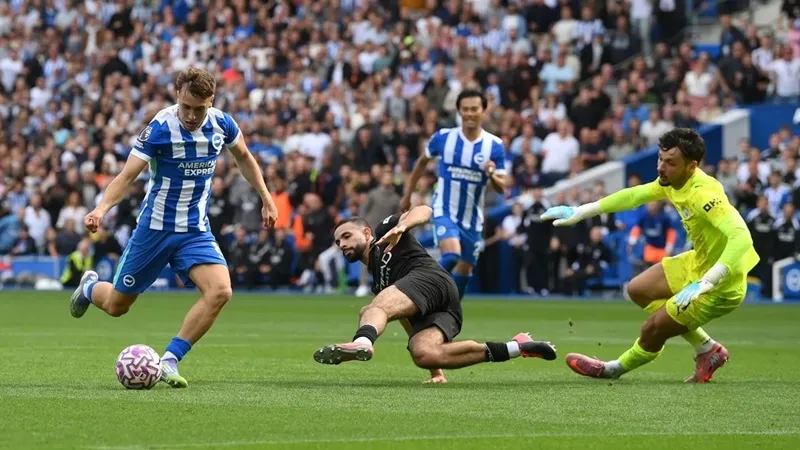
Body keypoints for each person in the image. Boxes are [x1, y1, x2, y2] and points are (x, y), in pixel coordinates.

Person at [69, 67, 279, 388]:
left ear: (211, 101)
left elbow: (245, 158)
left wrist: (266, 197)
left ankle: (169, 359)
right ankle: (89, 287)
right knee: (116, 306)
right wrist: (100, 209)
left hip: (195, 229)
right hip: (154, 229)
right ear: (177, 96)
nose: (192, 116)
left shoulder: (222, 124)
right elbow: (127, 176)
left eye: (200, 108)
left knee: (220, 291)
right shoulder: (159, 129)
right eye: (186, 107)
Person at [542, 128, 759, 383]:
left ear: (692, 166)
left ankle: (612, 369)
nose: (661, 167)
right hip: (697, 262)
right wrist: (582, 211)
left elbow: (742, 237)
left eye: (670, 163)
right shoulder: (672, 181)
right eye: (660, 159)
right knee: (638, 289)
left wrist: (708, 281)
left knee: (652, 329)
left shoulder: (703, 194)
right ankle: (707, 349)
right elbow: (635, 195)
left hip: (721, 284)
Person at [313, 205, 556, 383]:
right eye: (337, 242)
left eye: (346, 236)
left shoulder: (386, 232)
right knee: (424, 353)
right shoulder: (380, 282)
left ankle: (362, 343)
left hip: (430, 278)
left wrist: (402, 226)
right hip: (444, 308)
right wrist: (435, 371)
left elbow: (425, 210)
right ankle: (517, 347)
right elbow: (406, 319)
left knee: (370, 309)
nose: (342, 244)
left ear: (366, 233)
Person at [400, 89, 509, 299]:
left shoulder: (494, 145)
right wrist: (407, 194)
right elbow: (421, 162)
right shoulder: (444, 138)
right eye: (465, 109)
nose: (469, 113)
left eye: (474, 109)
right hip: (444, 209)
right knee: (451, 255)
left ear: (483, 111)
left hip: (472, 219)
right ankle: (416, 293)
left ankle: (447, 313)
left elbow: (502, 187)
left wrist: (492, 174)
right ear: (459, 111)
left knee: (465, 269)